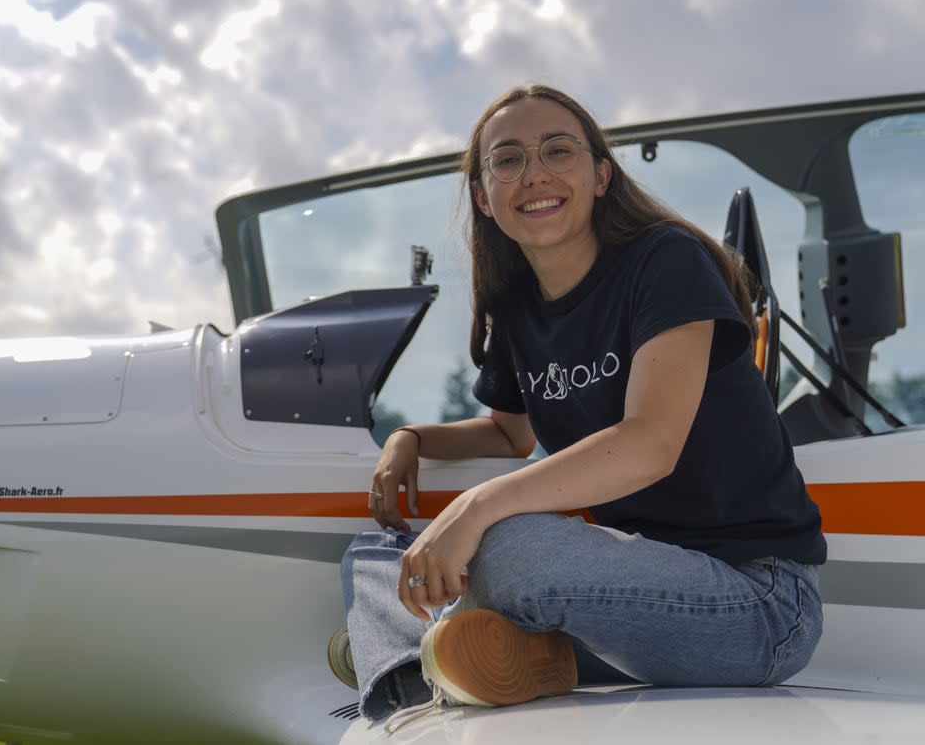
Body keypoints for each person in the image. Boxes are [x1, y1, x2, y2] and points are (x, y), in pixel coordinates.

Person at [339, 84, 826, 724]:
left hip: (758, 603)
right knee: (373, 552)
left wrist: (478, 504)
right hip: (633, 596)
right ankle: (483, 661)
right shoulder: (519, 312)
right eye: (507, 160)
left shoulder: (664, 261)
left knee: (507, 546)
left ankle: (408, 657)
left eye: (557, 150)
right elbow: (508, 434)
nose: (534, 174)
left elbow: (651, 444)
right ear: (484, 198)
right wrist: (413, 440)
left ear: (600, 175)